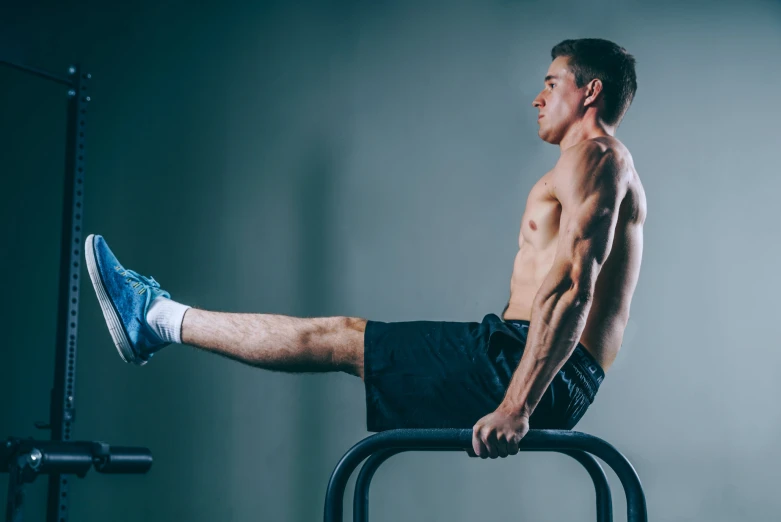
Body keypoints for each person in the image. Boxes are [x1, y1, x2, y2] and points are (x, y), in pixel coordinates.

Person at [85, 38, 645, 460]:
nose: (537, 97)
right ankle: (157, 318)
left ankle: (155, 318)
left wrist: (517, 406)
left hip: (530, 365)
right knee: (339, 338)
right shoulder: (594, 163)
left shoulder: (597, 157)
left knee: (334, 339)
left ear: (589, 90)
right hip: (534, 360)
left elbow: (574, 282)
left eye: (551, 83)